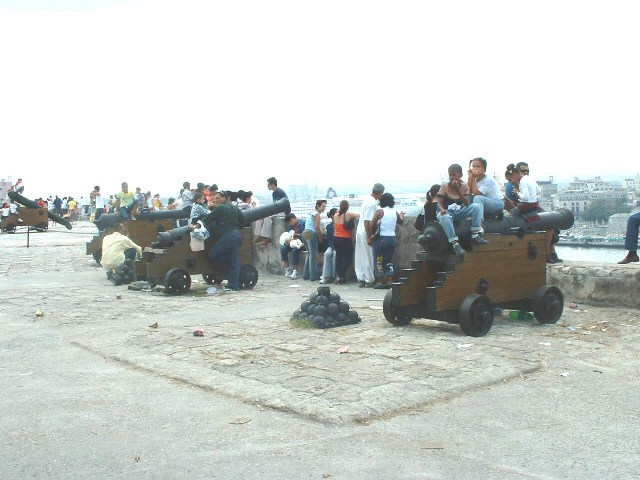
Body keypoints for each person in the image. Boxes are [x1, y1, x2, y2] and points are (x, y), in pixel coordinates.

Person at [436, 164, 488, 255]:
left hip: (459, 211)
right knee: (444, 217)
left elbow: (467, 203)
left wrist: (458, 190)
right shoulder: (444, 186)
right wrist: (442, 209)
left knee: (476, 207)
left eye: (454, 175)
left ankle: (475, 234)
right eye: (450, 175)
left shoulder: (465, 186)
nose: (451, 177)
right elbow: (439, 201)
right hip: (447, 212)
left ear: (460, 175)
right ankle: (455, 244)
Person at [200, 190, 245, 291]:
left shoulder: (220, 208)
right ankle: (233, 285)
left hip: (227, 235)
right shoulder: (234, 207)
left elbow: (207, 219)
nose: (216, 200)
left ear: (224, 198)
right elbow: (243, 220)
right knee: (234, 260)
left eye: (218, 198)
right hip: (236, 234)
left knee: (213, 254)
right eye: (215, 199)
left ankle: (226, 272)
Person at [370, 193, 405, 288]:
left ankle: (381, 282)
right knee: (388, 260)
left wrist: (372, 235)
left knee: (378, 260)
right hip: (392, 238)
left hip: (381, 238)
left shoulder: (379, 212)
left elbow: (372, 225)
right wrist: (401, 215)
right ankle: (390, 281)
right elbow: (401, 221)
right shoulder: (395, 212)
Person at [355, 183, 385, 287]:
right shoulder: (372, 203)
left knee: (360, 256)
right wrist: (369, 236)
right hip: (365, 231)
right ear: (380, 193)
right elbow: (367, 221)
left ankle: (361, 278)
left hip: (359, 231)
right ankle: (369, 279)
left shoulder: (366, 199)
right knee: (368, 256)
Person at [255, 177, 289, 245]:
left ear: (273, 184)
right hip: (278, 211)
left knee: (268, 217)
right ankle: (259, 235)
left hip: (283, 212)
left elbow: (280, 206)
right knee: (260, 217)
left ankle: (267, 237)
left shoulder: (279, 192)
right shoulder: (274, 193)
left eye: (268, 185)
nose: (267, 186)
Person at [332, 200, 359, 284]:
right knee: (348, 258)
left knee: (339, 258)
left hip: (336, 238)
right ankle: (341, 274)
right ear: (347, 207)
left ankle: (339, 277)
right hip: (345, 238)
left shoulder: (335, 215)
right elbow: (359, 215)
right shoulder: (348, 215)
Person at [301, 199, 326, 281]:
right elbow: (317, 227)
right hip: (311, 233)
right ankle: (313, 276)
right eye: (323, 206)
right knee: (312, 255)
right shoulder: (317, 214)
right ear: (318, 206)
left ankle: (306, 274)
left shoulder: (311, 212)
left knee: (309, 253)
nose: (324, 208)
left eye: (325, 206)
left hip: (305, 233)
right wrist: (320, 237)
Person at [280, 213, 306, 279]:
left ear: (293, 219)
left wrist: (298, 235)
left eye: (289, 223)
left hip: (302, 243)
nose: (289, 224)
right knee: (283, 249)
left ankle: (295, 271)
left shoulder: (303, 223)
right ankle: (287, 269)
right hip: (293, 242)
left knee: (295, 251)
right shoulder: (291, 227)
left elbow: (307, 236)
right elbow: (290, 234)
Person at [320, 208, 338, 284]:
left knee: (335, 255)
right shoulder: (329, 227)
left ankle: (334, 276)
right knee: (327, 254)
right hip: (331, 245)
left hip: (339, 246)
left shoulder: (340, 225)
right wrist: (333, 247)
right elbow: (329, 239)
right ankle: (326, 276)